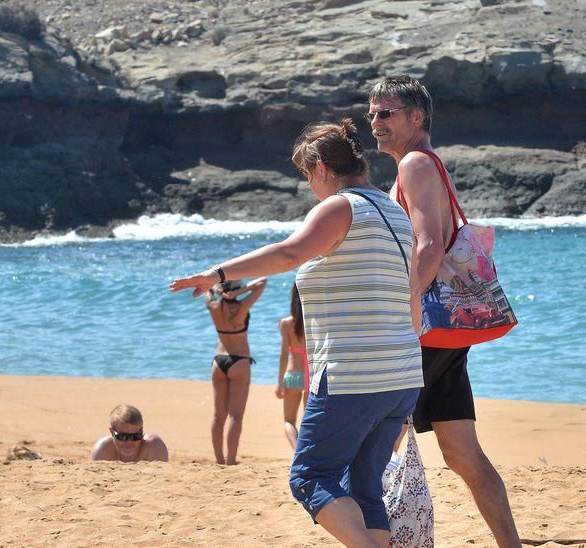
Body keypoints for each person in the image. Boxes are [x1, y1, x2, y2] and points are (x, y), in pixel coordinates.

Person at [170, 117, 422, 547]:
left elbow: (289, 253)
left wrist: (217, 273)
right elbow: (412, 299)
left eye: (307, 175)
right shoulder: (394, 213)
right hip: (401, 375)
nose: (310, 186)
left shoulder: (340, 207)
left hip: (352, 376)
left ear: (321, 168)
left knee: (310, 477)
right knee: (366, 487)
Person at [369, 75, 522, 547]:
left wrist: (403, 309)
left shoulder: (415, 163)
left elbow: (430, 245)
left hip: (426, 329)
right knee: (461, 451)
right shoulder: (422, 162)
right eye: (372, 112)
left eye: (386, 113)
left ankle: (376, 539)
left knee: (375, 441)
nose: (375, 122)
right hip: (447, 332)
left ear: (417, 117)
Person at [206, 276, 267, 465]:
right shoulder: (242, 307)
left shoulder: (214, 307)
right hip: (239, 361)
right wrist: (240, 292)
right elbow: (263, 282)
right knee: (236, 415)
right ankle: (231, 461)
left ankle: (219, 459)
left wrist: (216, 290)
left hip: (218, 360)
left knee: (218, 415)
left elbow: (205, 288)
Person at [275, 284, 310, 449]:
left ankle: (296, 451)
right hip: (312, 376)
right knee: (308, 421)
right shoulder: (313, 321)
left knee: (289, 421)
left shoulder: (286, 323)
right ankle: (305, 453)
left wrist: (279, 383)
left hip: (293, 375)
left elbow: (283, 355)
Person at [90, 404, 169, 462]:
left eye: (135, 436)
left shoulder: (154, 447)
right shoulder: (103, 449)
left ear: (141, 432)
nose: (129, 442)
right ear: (112, 432)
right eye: (122, 436)